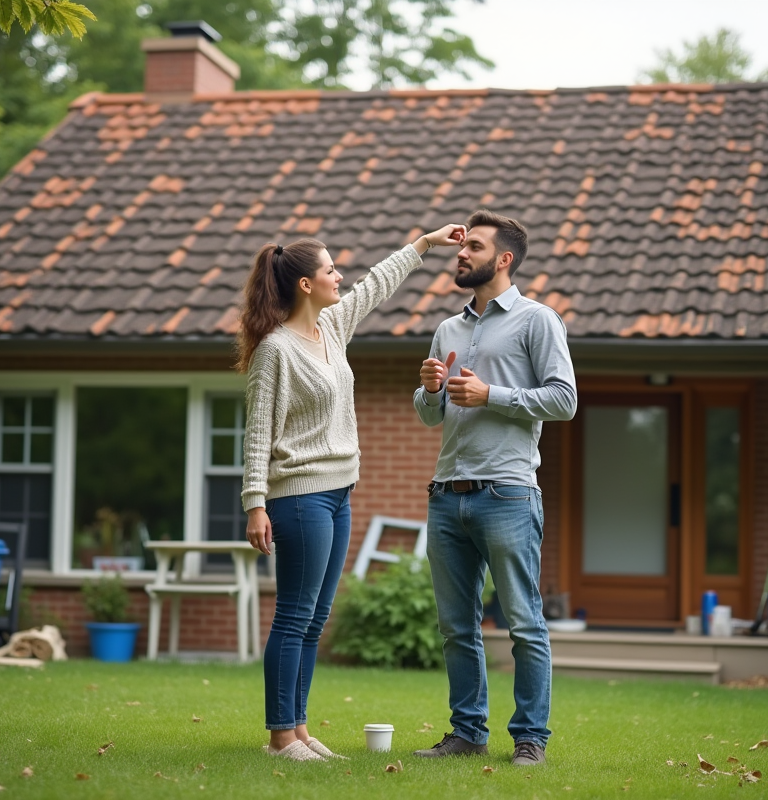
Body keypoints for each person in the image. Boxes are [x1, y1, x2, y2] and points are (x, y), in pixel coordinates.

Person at [238, 223, 467, 762]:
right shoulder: (275, 350)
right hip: (298, 497)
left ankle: (298, 729)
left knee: (316, 618)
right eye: (330, 269)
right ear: (304, 284)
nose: (341, 276)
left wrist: (426, 244)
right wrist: (255, 504)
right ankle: (279, 737)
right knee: (294, 616)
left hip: (340, 492)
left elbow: (377, 283)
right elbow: (257, 433)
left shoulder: (332, 327)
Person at [412, 209, 577, 767]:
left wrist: (494, 395)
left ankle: (530, 738)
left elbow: (564, 400)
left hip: (507, 493)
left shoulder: (537, 321)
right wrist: (428, 390)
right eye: (462, 247)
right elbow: (431, 418)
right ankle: (467, 733)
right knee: (457, 629)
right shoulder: (448, 328)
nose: (461, 254)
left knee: (524, 623)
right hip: (446, 494)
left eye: (474, 247)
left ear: (503, 259)